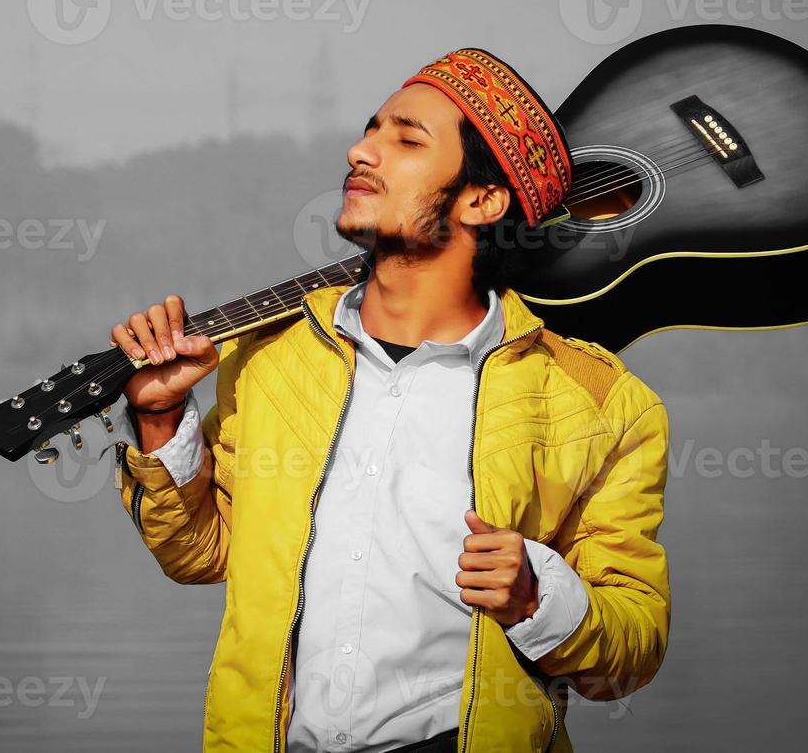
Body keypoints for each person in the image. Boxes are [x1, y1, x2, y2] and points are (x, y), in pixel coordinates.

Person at [107, 49, 672, 753]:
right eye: (370, 129)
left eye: (405, 139)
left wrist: (536, 597)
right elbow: (202, 553)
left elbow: (631, 652)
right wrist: (160, 420)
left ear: (481, 200)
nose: (359, 150)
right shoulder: (270, 363)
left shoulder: (599, 404)